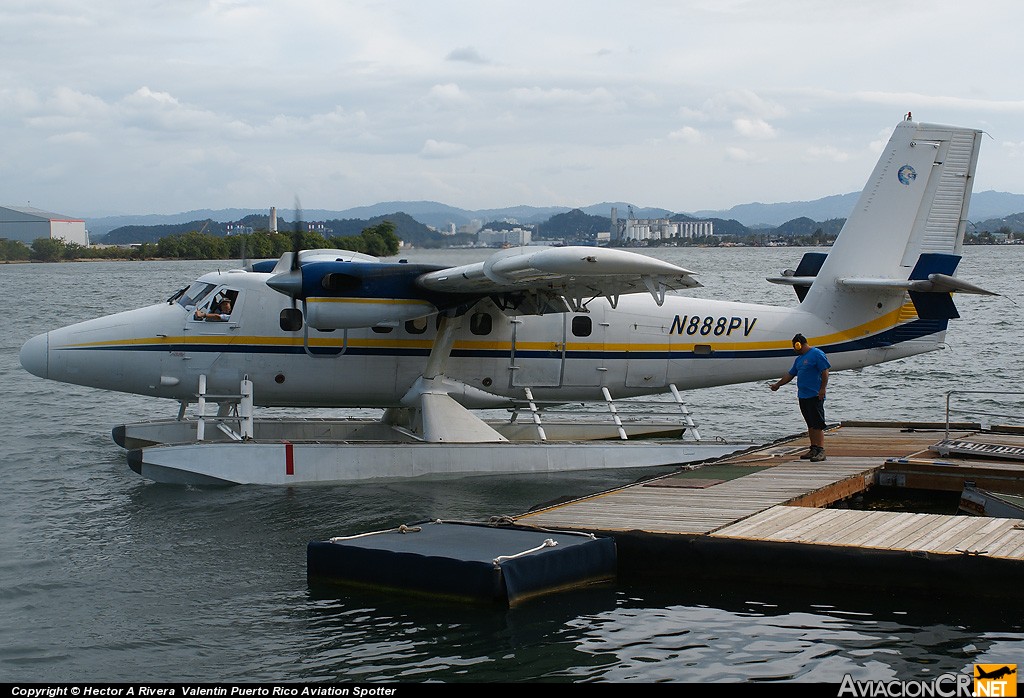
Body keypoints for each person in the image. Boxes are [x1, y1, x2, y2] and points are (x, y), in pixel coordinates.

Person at [769, 333, 830, 462]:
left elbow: (825, 371)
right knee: (810, 424)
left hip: (815, 394)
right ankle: (813, 448)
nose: (793, 349)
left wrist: (822, 389)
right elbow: (790, 374)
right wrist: (778, 385)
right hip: (803, 395)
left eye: (794, 346)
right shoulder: (799, 359)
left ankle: (821, 450)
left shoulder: (817, 354)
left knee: (817, 424)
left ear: (798, 344)